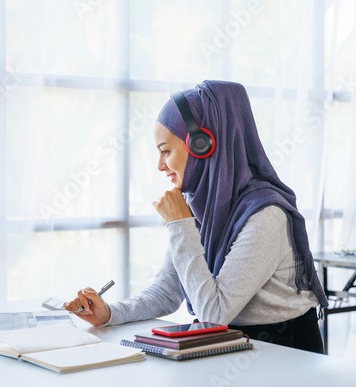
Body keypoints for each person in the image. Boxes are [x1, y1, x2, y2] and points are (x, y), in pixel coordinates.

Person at [64, 80, 328, 354]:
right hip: (230, 346)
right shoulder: (202, 205)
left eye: (166, 151)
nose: (160, 165)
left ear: (203, 145)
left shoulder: (265, 214)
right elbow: (167, 292)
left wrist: (180, 226)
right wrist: (109, 313)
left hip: (284, 352)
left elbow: (213, 314)